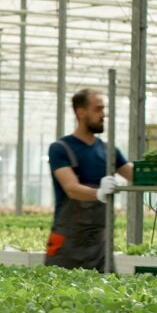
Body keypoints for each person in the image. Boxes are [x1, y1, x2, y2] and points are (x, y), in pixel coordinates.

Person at [45, 88, 134, 272]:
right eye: (98, 109)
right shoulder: (61, 149)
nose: (103, 115)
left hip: (98, 247)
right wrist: (99, 193)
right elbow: (71, 188)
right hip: (66, 245)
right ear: (81, 112)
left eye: (103, 109)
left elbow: (134, 175)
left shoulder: (109, 151)